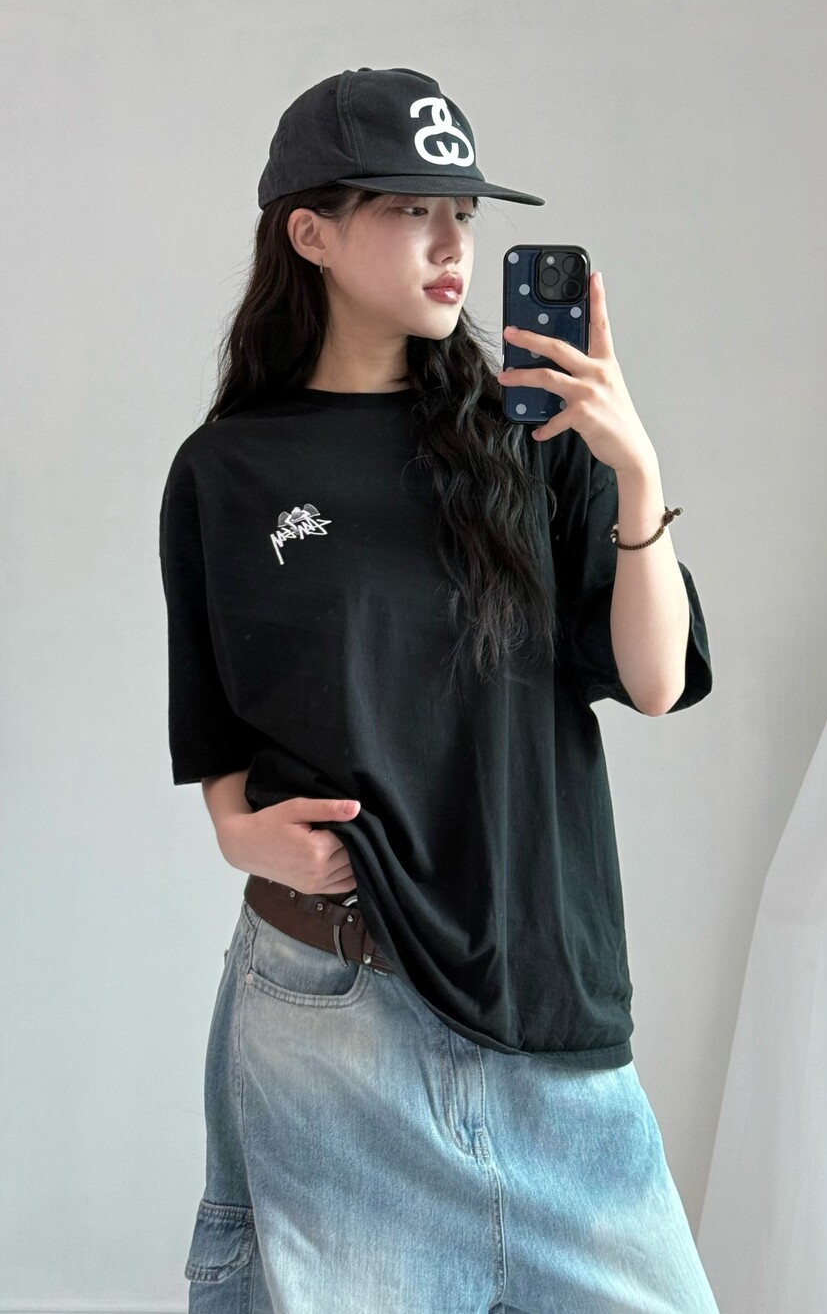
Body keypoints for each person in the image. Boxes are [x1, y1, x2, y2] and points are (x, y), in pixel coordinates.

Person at [159, 66, 720, 1314]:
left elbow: (653, 678)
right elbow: (215, 721)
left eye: (462, 212)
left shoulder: (537, 435)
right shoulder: (227, 472)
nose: (453, 243)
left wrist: (633, 472)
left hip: (547, 993)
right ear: (310, 233)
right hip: (334, 1007)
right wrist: (240, 831)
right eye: (411, 209)